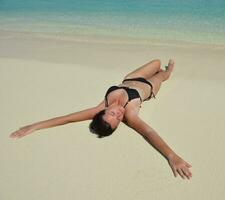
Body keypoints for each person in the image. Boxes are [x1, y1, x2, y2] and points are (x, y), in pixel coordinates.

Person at [10, 59, 192, 180]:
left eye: (113, 114)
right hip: (148, 87)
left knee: (156, 61)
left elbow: (66, 119)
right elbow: (149, 133)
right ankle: (168, 72)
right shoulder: (130, 114)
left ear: (103, 111)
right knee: (163, 73)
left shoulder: (100, 106)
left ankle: (162, 68)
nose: (119, 115)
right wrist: (172, 156)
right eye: (118, 120)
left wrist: (34, 126)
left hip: (130, 78)